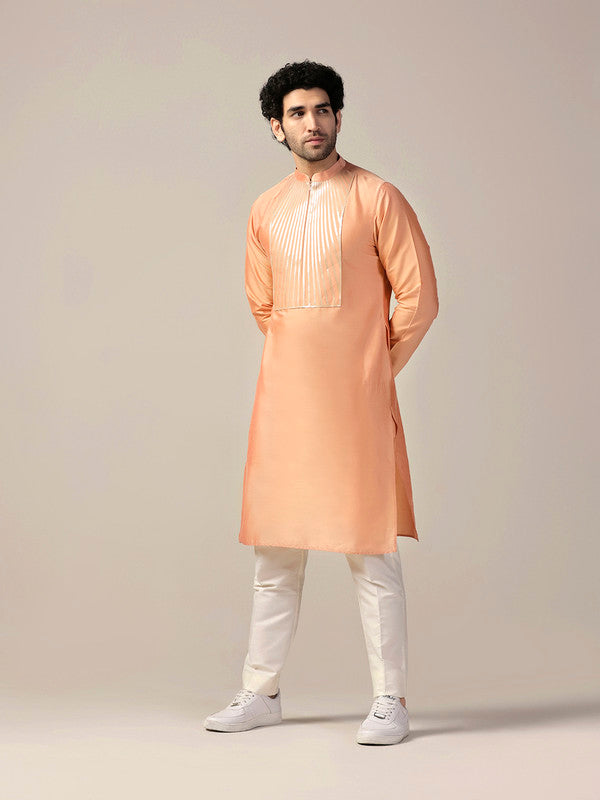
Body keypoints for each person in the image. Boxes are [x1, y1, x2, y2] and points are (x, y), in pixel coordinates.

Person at [204, 60, 439, 745]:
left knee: (371, 551)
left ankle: (390, 700)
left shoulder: (377, 197)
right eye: (298, 113)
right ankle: (261, 691)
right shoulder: (266, 209)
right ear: (276, 127)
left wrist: (372, 372)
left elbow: (418, 298)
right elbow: (265, 306)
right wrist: (302, 365)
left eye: (323, 109)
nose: (313, 122)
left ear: (338, 116)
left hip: (356, 403)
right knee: (275, 555)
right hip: (285, 403)